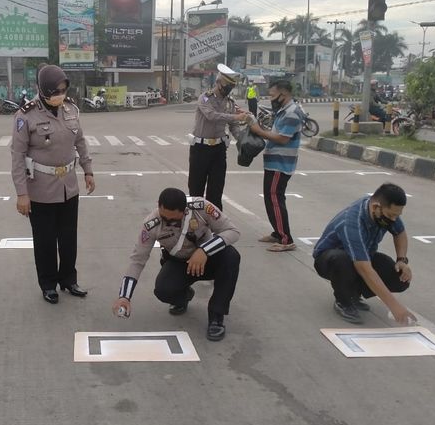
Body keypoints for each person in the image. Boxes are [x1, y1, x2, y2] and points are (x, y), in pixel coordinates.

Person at [11, 64, 95, 304]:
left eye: (63, 89)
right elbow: (17, 157)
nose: (60, 94)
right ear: (43, 89)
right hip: (40, 190)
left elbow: (80, 142)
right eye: (55, 91)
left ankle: (69, 279)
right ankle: (48, 284)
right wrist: (21, 194)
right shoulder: (25, 116)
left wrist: (88, 170)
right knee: (45, 241)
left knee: (69, 238)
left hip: (69, 186)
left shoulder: (71, 110)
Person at [111, 188, 241, 341]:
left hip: (207, 260)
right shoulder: (151, 224)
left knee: (231, 256)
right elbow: (137, 260)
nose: (169, 222)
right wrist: (124, 296)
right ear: (158, 205)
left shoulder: (202, 208)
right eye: (165, 218)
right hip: (180, 263)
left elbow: (232, 231)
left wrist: (204, 251)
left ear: (185, 210)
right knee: (163, 290)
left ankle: (216, 316)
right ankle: (184, 296)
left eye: (174, 220)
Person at [313, 183, 415, 325]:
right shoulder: (352, 221)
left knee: (399, 277)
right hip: (329, 259)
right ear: (375, 207)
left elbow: (400, 233)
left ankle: (354, 294)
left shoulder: (387, 213)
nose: (393, 220)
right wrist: (394, 307)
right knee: (343, 261)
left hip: (362, 256)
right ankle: (343, 301)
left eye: (397, 216)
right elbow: (364, 268)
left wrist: (402, 260)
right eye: (391, 215)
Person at [249, 80, 305, 252]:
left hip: (281, 164)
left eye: (273, 95)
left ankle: (286, 239)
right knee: (270, 198)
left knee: (275, 198)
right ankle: (277, 233)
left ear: (284, 94)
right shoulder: (283, 110)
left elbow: (282, 138)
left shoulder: (292, 113)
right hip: (274, 162)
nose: (271, 98)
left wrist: (258, 131)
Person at [188, 63, 250, 210]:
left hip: (219, 150)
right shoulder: (205, 98)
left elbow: (233, 125)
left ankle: (215, 225)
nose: (229, 88)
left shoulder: (230, 102)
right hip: (201, 148)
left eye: (231, 86)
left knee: (216, 190)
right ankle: (194, 222)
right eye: (227, 84)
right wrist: (236, 117)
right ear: (218, 82)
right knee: (196, 189)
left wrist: (242, 139)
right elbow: (211, 116)